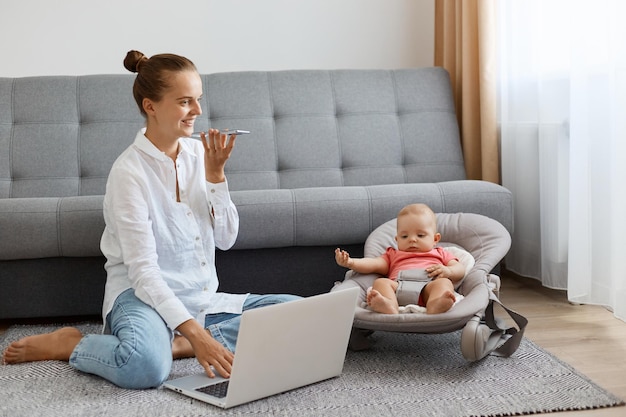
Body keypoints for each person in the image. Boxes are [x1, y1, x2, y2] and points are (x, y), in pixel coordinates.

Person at [1, 50, 299, 389]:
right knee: (144, 367)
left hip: (197, 298)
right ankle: (73, 343)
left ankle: (178, 343)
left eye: (198, 100)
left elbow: (227, 239)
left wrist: (216, 176)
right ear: (151, 106)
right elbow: (143, 274)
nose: (198, 112)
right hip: (140, 297)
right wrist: (198, 335)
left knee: (296, 312)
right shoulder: (128, 173)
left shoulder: (199, 155)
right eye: (185, 102)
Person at [335, 203, 465, 315]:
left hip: (428, 288)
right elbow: (372, 263)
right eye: (404, 236)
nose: (412, 239)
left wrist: (448, 271)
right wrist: (351, 262)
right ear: (397, 240)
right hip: (398, 288)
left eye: (420, 235)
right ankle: (388, 305)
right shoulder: (393, 254)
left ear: (435, 239)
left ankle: (436, 304)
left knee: (444, 283)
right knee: (381, 283)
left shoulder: (441, 253)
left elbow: (459, 269)